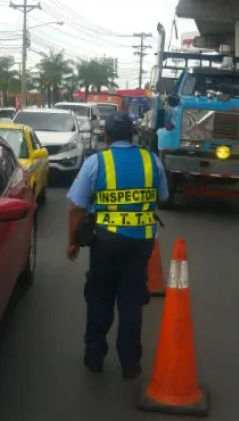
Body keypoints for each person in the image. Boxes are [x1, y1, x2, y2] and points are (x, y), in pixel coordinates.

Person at [65, 112, 169, 379]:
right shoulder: (151, 160)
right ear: (133, 134)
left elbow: (76, 208)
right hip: (142, 243)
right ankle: (130, 364)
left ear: (106, 136)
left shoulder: (96, 162)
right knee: (131, 302)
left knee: (99, 298)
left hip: (107, 243)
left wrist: (73, 242)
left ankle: (95, 358)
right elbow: (163, 196)